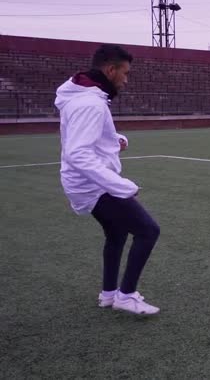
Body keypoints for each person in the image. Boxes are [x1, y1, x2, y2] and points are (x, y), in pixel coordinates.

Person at [54, 44, 161, 315]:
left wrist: (115, 140)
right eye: (124, 73)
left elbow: (86, 140)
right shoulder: (90, 103)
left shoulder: (87, 97)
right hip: (92, 185)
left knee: (117, 233)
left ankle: (109, 294)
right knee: (148, 231)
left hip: (88, 183)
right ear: (110, 70)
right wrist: (121, 186)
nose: (126, 80)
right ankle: (126, 297)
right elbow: (78, 153)